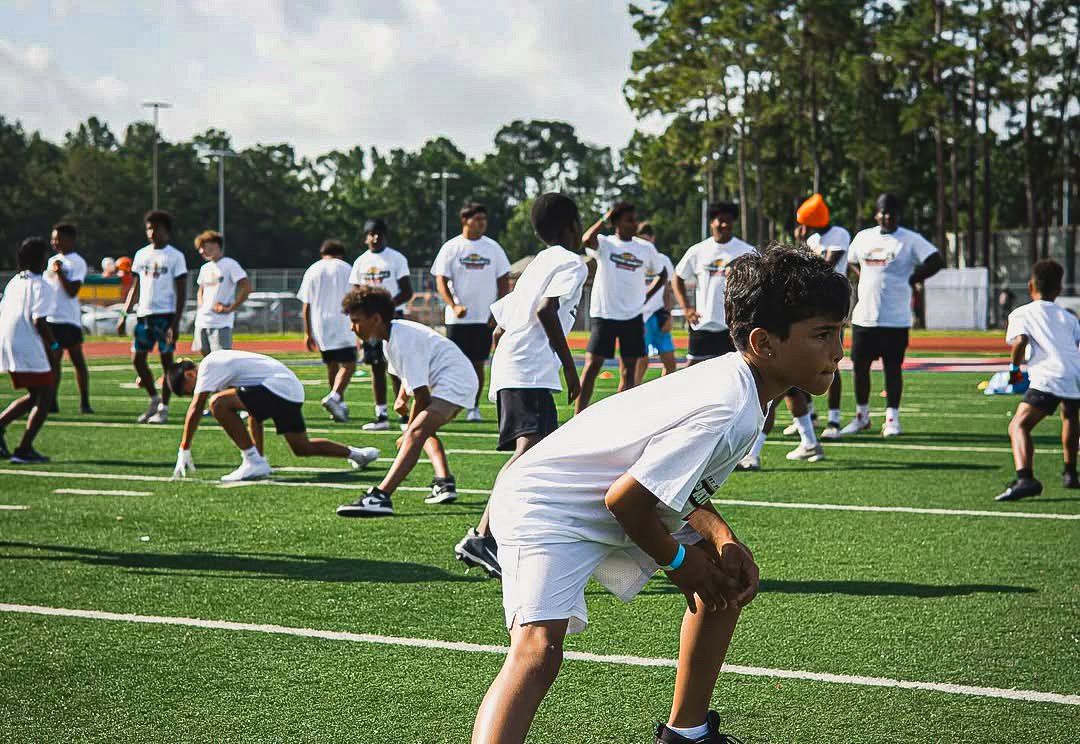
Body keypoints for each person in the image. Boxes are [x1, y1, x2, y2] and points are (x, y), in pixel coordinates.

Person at [470, 244, 849, 744]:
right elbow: (626, 500)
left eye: (838, 333)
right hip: (546, 503)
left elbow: (668, 483)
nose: (838, 350)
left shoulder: (744, 389)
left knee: (722, 583)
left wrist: (723, 538)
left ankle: (685, 734)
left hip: (611, 496)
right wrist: (679, 563)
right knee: (538, 650)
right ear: (764, 343)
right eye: (822, 335)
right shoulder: (726, 403)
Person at [455, 192, 588, 579]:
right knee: (526, 457)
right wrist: (570, 368)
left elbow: (500, 322)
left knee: (537, 458)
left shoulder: (538, 263)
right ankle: (483, 536)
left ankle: (508, 537)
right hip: (529, 372)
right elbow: (547, 310)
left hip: (518, 368)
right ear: (573, 227)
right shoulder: (569, 263)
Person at [335, 286, 478, 517]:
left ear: (376, 318)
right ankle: (444, 481)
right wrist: (402, 397)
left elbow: (422, 395)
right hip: (452, 380)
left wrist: (408, 430)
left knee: (416, 431)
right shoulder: (391, 338)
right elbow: (407, 376)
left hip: (456, 382)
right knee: (422, 431)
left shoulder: (401, 340)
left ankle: (381, 496)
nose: (352, 327)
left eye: (356, 321)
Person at [167, 350, 379, 483]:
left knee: (218, 403)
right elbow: (254, 414)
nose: (192, 393)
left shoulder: (207, 366)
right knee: (301, 447)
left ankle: (252, 461)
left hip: (279, 387)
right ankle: (358, 455)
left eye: (187, 390)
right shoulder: (222, 370)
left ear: (189, 374)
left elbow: (197, 408)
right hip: (289, 389)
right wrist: (258, 457)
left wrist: (184, 448)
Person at [840, 194, 943, 437]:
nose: (887, 217)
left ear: (898, 215)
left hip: (895, 319)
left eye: (891, 212)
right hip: (864, 316)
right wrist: (864, 274)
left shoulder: (909, 239)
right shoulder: (864, 237)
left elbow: (936, 260)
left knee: (892, 369)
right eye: (882, 212)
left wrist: (912, 278)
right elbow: (852, 260)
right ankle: (861, 416)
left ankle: (892, 419)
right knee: (860, 368)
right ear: (876, 214)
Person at [996, 260, 1080, 501]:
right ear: (1059, 289)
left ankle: (1025, 478)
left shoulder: (1022, 313)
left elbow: (1020, 342)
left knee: (1018, 426)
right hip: (1075, 372)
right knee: (1070, 417)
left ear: (1031, 286)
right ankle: (1070, 473)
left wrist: (1014, 369)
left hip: (1049, 374)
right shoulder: (1068, 316)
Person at [577, 202, 666, 412]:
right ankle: (577, 416)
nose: (634, 224)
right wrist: (603, 218)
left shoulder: (645, 248)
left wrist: (646, 296)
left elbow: (661, 274)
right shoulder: (606, 244)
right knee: (592, 366)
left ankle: (623, 417)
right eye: (629, 220)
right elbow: (586, 240)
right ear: (616, 223)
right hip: (605, 314)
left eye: (635, 219)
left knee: (629, 371)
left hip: (633, 316)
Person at [431, 202, 511, 422]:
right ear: (465, 220)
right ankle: (451, 405)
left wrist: (497, 311)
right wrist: (453, 305)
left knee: (478, 363)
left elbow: (504, 280)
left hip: (483, 319)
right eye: (477, 219)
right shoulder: (451, 247)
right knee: (454, 364)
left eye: (484, 219)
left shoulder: (493, 248)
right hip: (457, 320)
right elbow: (441, 281)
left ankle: (473, 408)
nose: (482, 223)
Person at [117, 210, 188, 425]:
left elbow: (182, 291)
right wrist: (124, 313)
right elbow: (136, 286)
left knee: (167, 363)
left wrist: (175, 323)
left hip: (165, 315)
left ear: (166, 231)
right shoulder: (141, 255)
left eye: (155, 228)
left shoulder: (175, 256)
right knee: (137, 360)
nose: (151, 232)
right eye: (148, 228)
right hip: (143, 315)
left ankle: (164, 408)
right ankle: (154, 399)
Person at [791, 193, 851, 442]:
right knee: (800, 361)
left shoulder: (839, 234)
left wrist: (804, 249)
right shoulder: (813, 238)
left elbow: (826, 265)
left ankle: (834, 420)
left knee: (831, 362)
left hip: (832, 306)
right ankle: (810, 415)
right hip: (810, 307)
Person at [673, 202, 756, 367]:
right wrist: (687, 308)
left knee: (737, 373)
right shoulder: (698, 251)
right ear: (712, 222)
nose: (725, 224)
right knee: (693, 371)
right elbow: (677, 278)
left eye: (729, 221)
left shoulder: (747, 251)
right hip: (703, 323)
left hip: (733, 326)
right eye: (720, 220)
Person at [349, 218, 413, 431]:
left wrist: (386, 307)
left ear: (385, 236)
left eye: (379, 234)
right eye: (371, 234)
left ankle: (403, 414)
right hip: (370, 323)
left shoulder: (396, 258)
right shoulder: (360, 262)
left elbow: (407, 291)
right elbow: (356, 293)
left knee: (396, 367)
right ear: (365, 237)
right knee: (376, 367)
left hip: (392, 320)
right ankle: (381, 416)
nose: (375, 238)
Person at [0, 237, 59, 463]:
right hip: (27, 343)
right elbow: (39, 321)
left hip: (7, 340)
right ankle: (24, 449)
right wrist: (53, 345)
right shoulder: (41, 284)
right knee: (45, 395)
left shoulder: (15, 281)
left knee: (35, 393)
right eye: (44, 255)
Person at [298, 239, 358, 423]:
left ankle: (336, 406)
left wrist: (308, 332)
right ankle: (335, 397)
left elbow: (306, 305)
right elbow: (355, 297)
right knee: (349, 364)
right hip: (342, 321)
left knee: (332, 365)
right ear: (341, 253)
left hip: (320, 323)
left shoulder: (313, 270)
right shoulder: (347, 268)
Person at [44, 222, 93, 414]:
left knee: (77, 361)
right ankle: (52, 400)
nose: (55, 242)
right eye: (53, 238)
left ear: (69, 240)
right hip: (51, 318)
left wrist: (60, 273)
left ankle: (84, 401)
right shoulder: (52, 260)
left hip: (68, 319)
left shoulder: (77, 262)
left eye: (58, 238)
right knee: (53, 361)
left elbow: (72, 291)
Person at [191, 230, 250, 357]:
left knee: (222, 360)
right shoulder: (205, 268)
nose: (202, 251)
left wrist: (231, 308)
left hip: (221, 323)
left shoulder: (230, 264)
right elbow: (201, 289)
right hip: (202, 321)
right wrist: (201, 305)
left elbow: (246, 287)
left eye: (204, 246)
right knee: (205, 358)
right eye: (200, 248)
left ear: (216, 245)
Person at [634, 221, 677, 381]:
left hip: (659, 315)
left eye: (647, 240)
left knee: (670, 363)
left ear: (653, 239)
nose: (645, 244)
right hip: (640, 316)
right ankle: (632, 398)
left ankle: (661, 396)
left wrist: (668, 314)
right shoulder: (635, 258)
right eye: (641, 240)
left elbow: (667, 289)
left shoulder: (663, 259)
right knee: (641, 363)